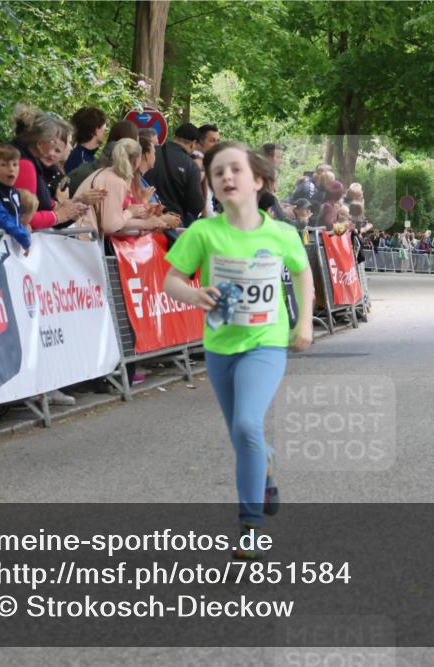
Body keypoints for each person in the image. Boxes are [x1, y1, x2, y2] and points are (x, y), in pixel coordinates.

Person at [163, 141, 314, 559]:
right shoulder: (203, 232)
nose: (226, 177)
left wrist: (303, 323)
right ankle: (265, 467)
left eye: (235, 170)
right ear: (210, 185)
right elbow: (171, 280)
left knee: (248, 424)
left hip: (265, 344)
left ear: (258, 180)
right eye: (217, 173)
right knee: (241, 434)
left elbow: (303, 274)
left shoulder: (281, 233)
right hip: (220, 346)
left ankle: (251, 526)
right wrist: (195, 296)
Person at [9, 105, 85, 231]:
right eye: (52, 142)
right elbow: (24, 215)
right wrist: (58, 216)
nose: (53, 149)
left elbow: (38, 197)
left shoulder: (24, 157)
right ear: (40, 143)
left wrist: (58, 206)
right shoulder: (25, 164)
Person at [144, 122, 204, 227]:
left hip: (145, 218)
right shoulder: (191, 165)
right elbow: (196, 205)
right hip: (173, 223)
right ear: (193, 143)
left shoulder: (150, 154)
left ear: (175, 137)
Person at [65, 106, 107, 173]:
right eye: (104, 130)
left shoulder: (83, 157)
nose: (105, 133)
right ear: (95, 130)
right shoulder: (81, 160)